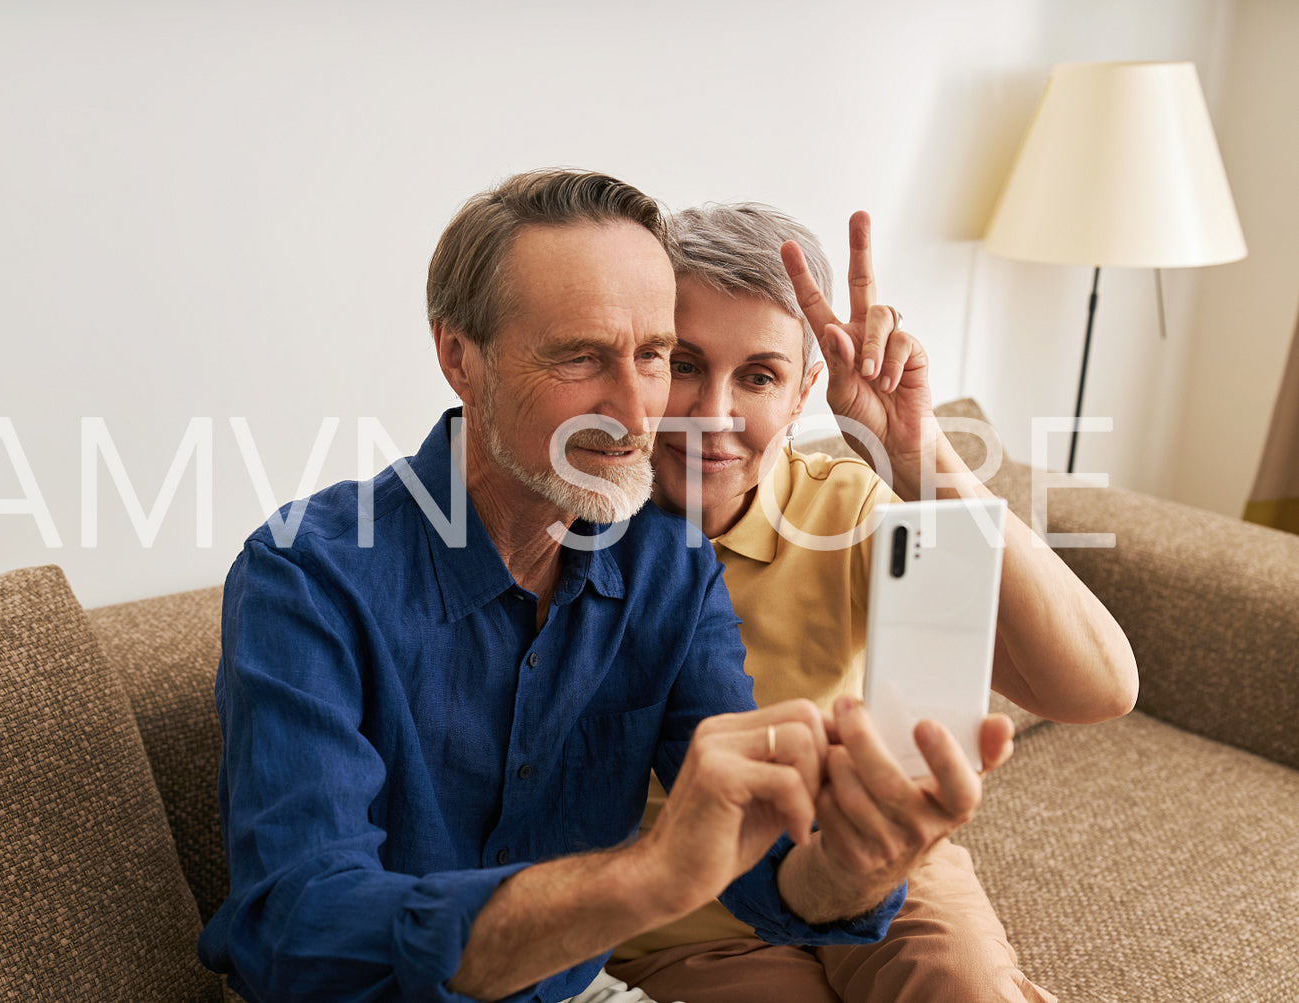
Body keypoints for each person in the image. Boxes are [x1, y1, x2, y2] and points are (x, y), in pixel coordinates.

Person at [197, 172, 928, 1003]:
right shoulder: (306, 574)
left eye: (654, 356)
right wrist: (642, 878)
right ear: (458, 359)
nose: (634, 410)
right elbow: (301, 931)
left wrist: (857, 863)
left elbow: (765, 870)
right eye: (581, 357)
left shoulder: (666, 564)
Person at [605, 203, 1140, 1002]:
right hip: (691, 925)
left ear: (802, 392)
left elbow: (1097, 689)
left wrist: (917, 451)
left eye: (757, 375)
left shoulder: (848, 511)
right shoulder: (572, 538)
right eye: (683, 363)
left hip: (879, 870)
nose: (712, 409)